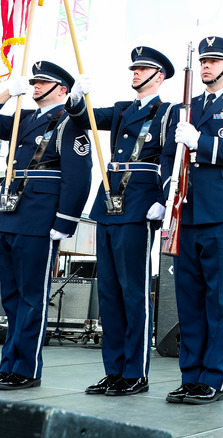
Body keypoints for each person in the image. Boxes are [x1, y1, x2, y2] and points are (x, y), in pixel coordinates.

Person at [66, 46, 175, 396]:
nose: (135, 74)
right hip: (110, 202)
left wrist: (163, 199)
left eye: (143, 70)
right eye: (134, 69)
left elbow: (172, 157)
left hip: (140, 203)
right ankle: (113, 370)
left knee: (134, 292)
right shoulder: (122, 109)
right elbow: (85, 120)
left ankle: (135, 373)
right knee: (109, 293)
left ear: (159, 76)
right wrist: (76, 97)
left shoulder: (170, 112)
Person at [160, 36, 223, 405]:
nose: (206, 66)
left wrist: (200, 140)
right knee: (188, 299)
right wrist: (166, 191)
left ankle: (212, 379)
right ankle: (190, 377)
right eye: (203, 60)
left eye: (214, 61)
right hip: (186, 209)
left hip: (222, 211)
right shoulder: (182, 109)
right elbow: (167, 157)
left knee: (219, 300)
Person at [0, 61, 91, 390]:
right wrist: (9, 91)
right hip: (10, 215)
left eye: (43, 83)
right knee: (10, 297)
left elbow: (79, 176)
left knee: (32, 297)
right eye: (34, 82)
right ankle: (8, 362)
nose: (36, 87)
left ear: (62, 89)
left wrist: (64, 220)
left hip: (40, 219)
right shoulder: (24, 118)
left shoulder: (70, 122)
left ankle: (26, 368)